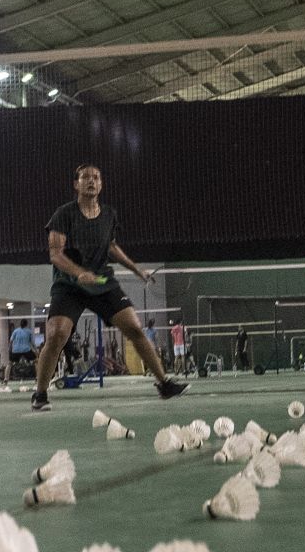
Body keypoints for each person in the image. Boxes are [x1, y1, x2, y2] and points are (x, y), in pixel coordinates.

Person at [30, 164, 187, 411]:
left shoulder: (109, 215)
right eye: (85, 177)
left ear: (101, 184)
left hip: (102, 282)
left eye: (96, 177)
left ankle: (164, 384)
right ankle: (40, 394)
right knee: (57, 335)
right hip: (69, 284)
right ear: (76, 184)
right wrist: (79, 272)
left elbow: (111, 247)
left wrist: (137, 270)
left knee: (134, 328)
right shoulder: (63, 214)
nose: (91, 181)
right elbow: (55, 254)